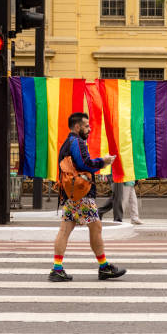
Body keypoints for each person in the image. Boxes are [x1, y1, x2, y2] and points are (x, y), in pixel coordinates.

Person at [49, 112, 126, 282]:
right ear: (77, 127)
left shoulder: (67, 143)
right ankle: (104, 267)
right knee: (96, 227)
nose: (89, 129)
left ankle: (57, 268)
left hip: (71, 194)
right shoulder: (78, 142)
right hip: (82, 193)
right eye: (86, 126)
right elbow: (84, 164)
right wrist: (103, 161)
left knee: (65, 230)